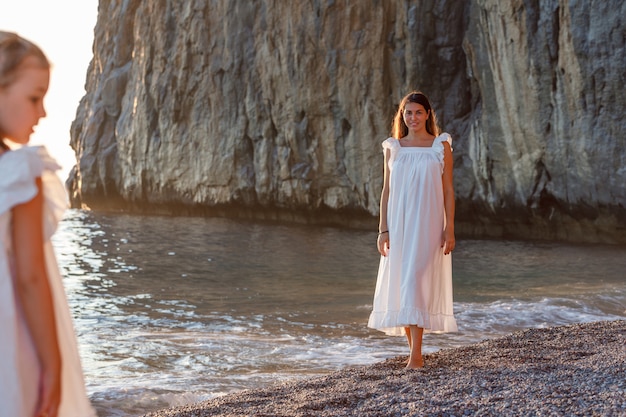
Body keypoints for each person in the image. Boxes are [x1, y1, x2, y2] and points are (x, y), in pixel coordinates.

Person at [0, 31, 96, 416]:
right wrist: (54, 366)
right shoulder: (20, 172)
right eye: (34, 97)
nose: (42, 113)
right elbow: (30, 278)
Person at [367, 91, 458, 369]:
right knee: (404, 283)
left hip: (429, 222)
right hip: (399, 224)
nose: (413, 118)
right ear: (402, 115)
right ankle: (414, 352)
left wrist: (449, 228)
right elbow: (386, 191)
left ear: (428, 114)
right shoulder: (393, 147)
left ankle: (415, 356)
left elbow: (448, 190)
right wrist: (383, 231)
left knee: (416, 280)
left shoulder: (440, 146)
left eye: (419, 112)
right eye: (408, 113)